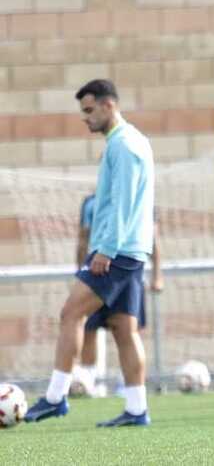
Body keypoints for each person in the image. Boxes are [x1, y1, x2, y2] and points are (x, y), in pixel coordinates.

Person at [25, 79, 156, 427]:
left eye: (89, 110)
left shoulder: (124, 146)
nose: (85, 118)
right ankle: (137, 409)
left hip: (117, 251)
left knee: (70, 314)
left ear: (108, 105)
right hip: (131, 251)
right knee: (124, 329)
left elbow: (124, 203)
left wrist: (107, 249)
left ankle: (55, 397)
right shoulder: (131, 140)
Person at [76, 195, 163, 396]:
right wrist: (80, 271)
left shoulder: (143, 201)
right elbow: (82, 239)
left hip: (128, 271)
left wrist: (158, 275)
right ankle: (89, 382)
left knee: (129, 330)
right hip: (96, 271)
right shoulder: (91, 203)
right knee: (88, 327)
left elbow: (153, 241)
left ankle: (130, 385)